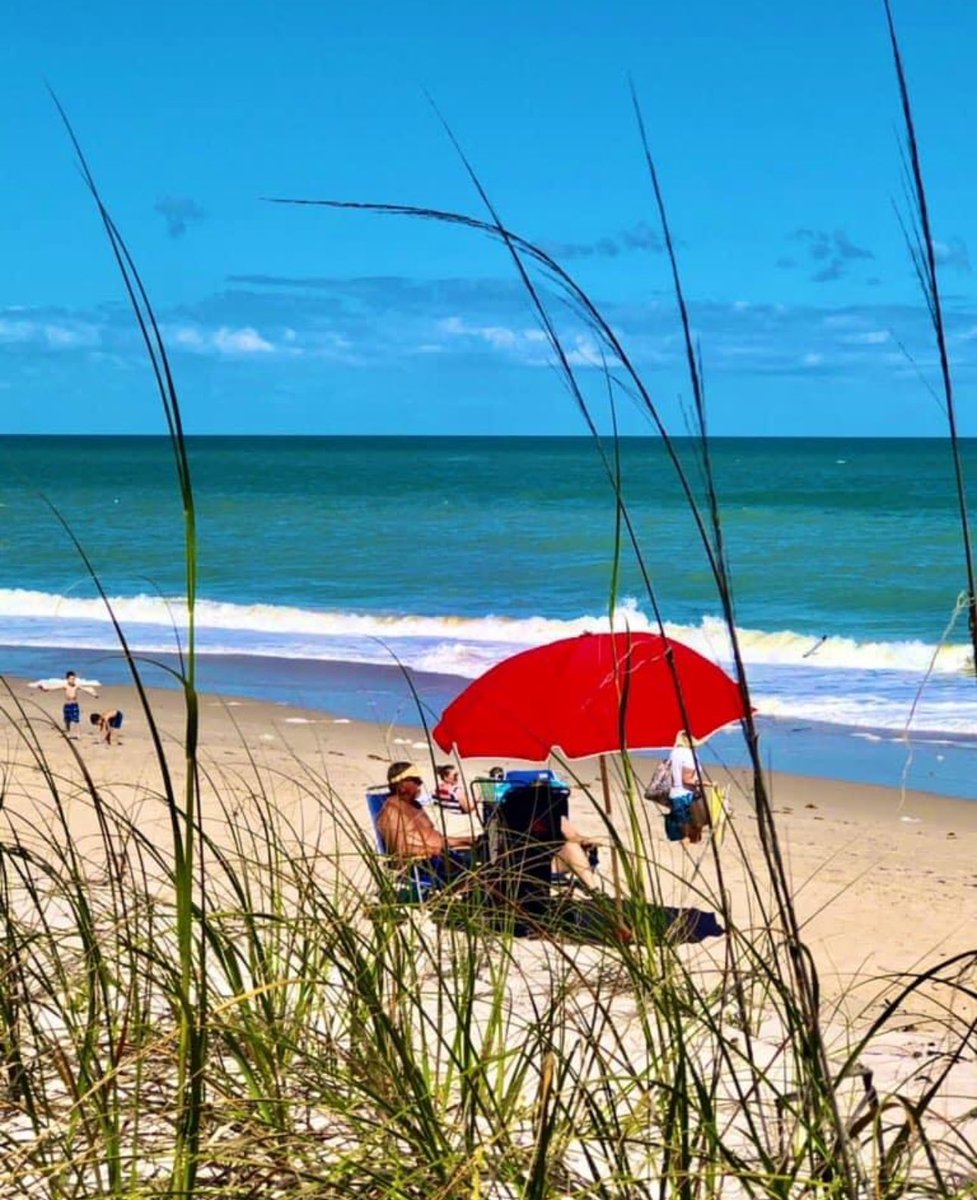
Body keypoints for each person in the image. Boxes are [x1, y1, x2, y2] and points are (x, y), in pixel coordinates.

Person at [377, 762, 479, 885]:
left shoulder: (414, 805)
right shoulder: (393, 812)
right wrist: (438, 849)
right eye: (415, 780)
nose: (420, 783)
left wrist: (463, 841)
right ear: (401, 785)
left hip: (439, 858)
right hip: (422, 867)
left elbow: (430, 836)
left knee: (482, 854)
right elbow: (402, 850)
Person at [666, 731, 709, 843]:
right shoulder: (689, 755)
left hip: (674, 794)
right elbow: (687, 780)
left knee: (684, 827)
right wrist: (707, 784)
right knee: (697, 825)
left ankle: (688, 842)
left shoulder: (674, 753)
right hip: (686, 796)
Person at [37, 670, 98, 737]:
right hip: (67, 705)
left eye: (74, 679)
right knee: (67, 720)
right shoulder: (65, 686)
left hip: (74, 704)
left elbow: (86, 689)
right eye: (71, 679)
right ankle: (68, 733)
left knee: (76, 719)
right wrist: (46, 689)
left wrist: (93, 694)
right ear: (67, 679)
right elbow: (55, 688)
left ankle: (78, 734)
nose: (73, 680)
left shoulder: (76, 686)